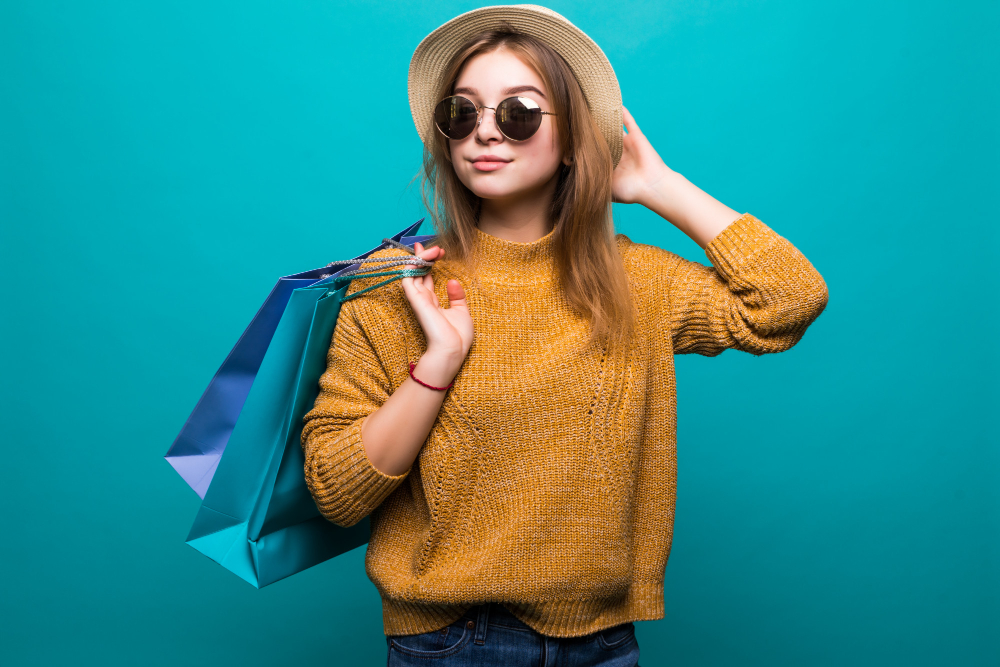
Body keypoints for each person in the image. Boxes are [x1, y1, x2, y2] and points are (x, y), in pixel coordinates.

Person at [300, 5, 828, 666]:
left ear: (575, 136)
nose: (484, 134)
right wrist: (440, 360)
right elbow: (336, 490)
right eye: (461, 114)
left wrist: (659, 186)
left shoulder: (636, 281)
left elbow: (788, 299)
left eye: (517, 113)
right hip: (451, 641)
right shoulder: (399, 283)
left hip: (603, 640)